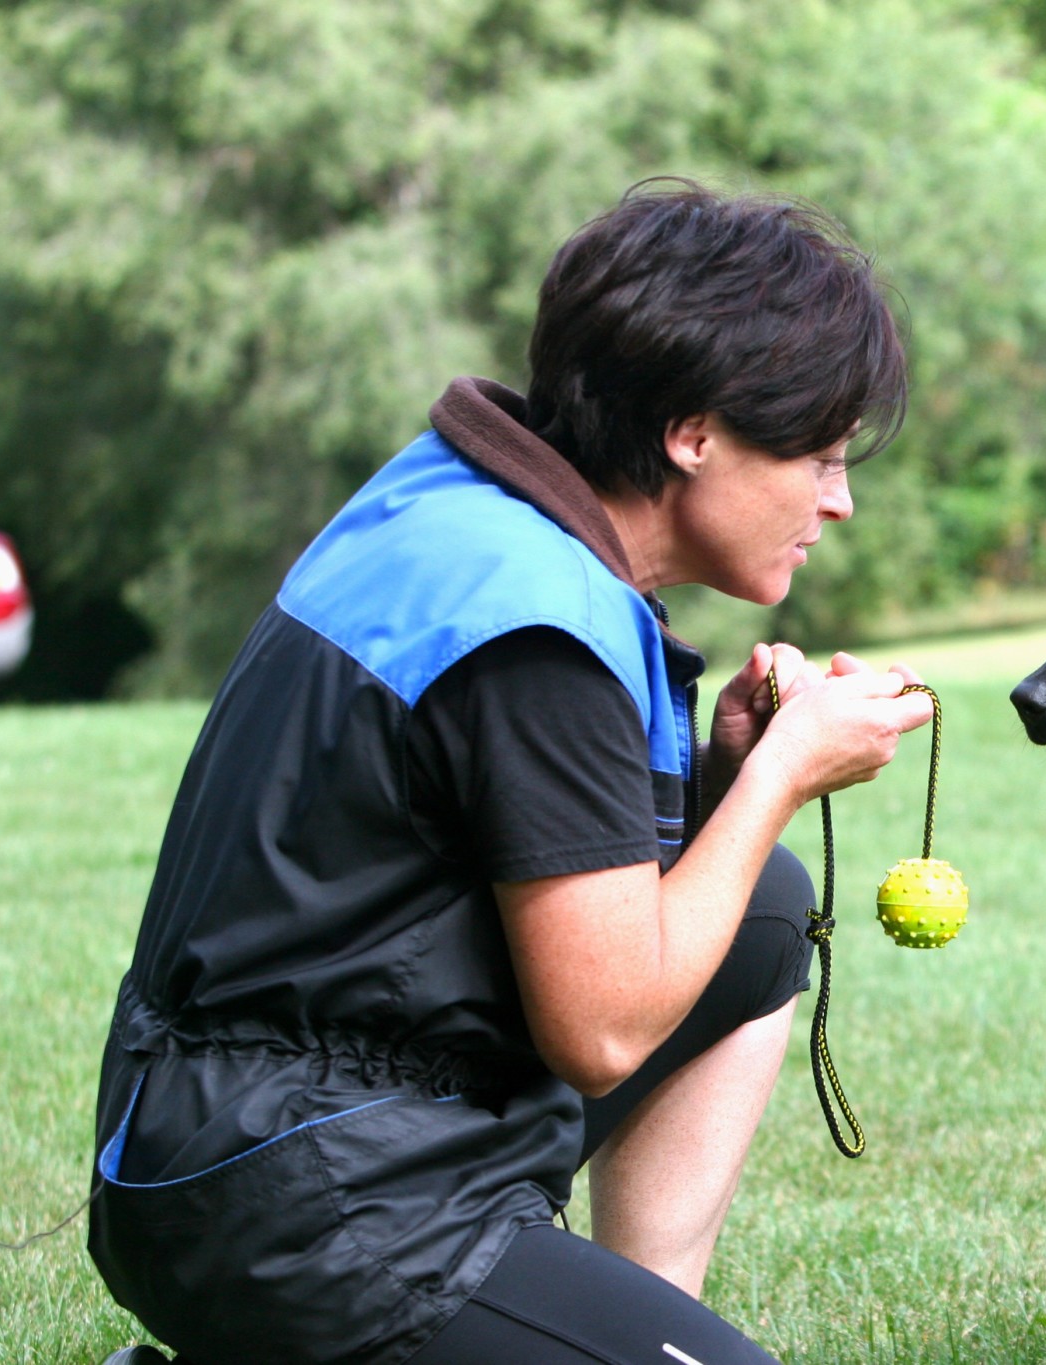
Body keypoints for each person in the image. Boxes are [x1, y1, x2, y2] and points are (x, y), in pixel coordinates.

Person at [90, 180, 935, 1365]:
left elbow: (452, 848)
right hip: (312, 1202)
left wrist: (723, 780)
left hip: (206, 1139)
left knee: (764, 906)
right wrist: (782, 774)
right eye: (820, 457)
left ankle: (634, 1321)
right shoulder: (533, 625)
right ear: (692, 433)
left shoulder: (459, 510)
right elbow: (600, 1032)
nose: (836, 503)